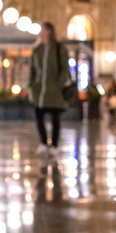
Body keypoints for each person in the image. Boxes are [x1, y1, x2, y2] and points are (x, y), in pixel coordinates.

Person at [28, 22, 70, 156]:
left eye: (43, 30)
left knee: (55, 118)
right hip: (39, 89)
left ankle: (54, 145)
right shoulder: (37, 48)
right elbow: (32, 68)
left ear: (49, 31)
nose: (41, 32)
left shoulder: (59, 48)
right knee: (39, 116)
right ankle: (43, 142)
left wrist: (59, 83)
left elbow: (65, 68)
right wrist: (31, 85)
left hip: (54, 89)